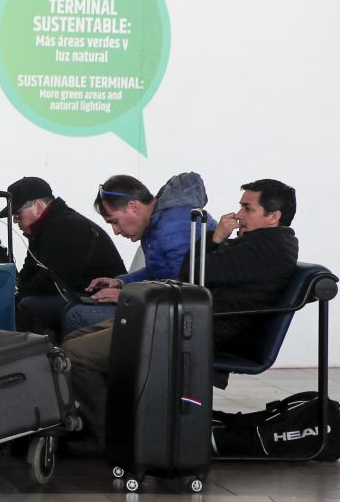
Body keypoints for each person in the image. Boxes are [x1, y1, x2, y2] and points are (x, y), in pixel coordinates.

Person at [63, 179, 300, 452]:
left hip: (193, 330)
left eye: (248, 209)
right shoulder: (259, 243)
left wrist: (216, 239)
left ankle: (113, 438)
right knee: (77, 338)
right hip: (183, 321)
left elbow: (192, 273)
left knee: (75, 355)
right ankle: (114, 422)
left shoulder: (266, 249)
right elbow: (194, 271)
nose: (238, 215)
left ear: (273, 216)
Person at [61, 172, 213, 336]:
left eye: (114, 221)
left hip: (181, 318)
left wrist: (127, 296)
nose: (116, 231)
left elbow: (183, 287)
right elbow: (157, 271)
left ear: (133, 207)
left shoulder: (173, 229)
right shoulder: (158, 222)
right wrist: (120, 282)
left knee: (75, 316)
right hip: (166, 306)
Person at [0, 176, 126, 339]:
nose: (17, 222)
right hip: (81, 294)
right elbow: (29, 272)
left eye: (17, 215)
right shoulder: (46, 227)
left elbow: (48, 283)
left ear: (38, 206)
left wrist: (14, 298)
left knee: (28, 306)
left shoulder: (65, 227)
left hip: (102, 300)